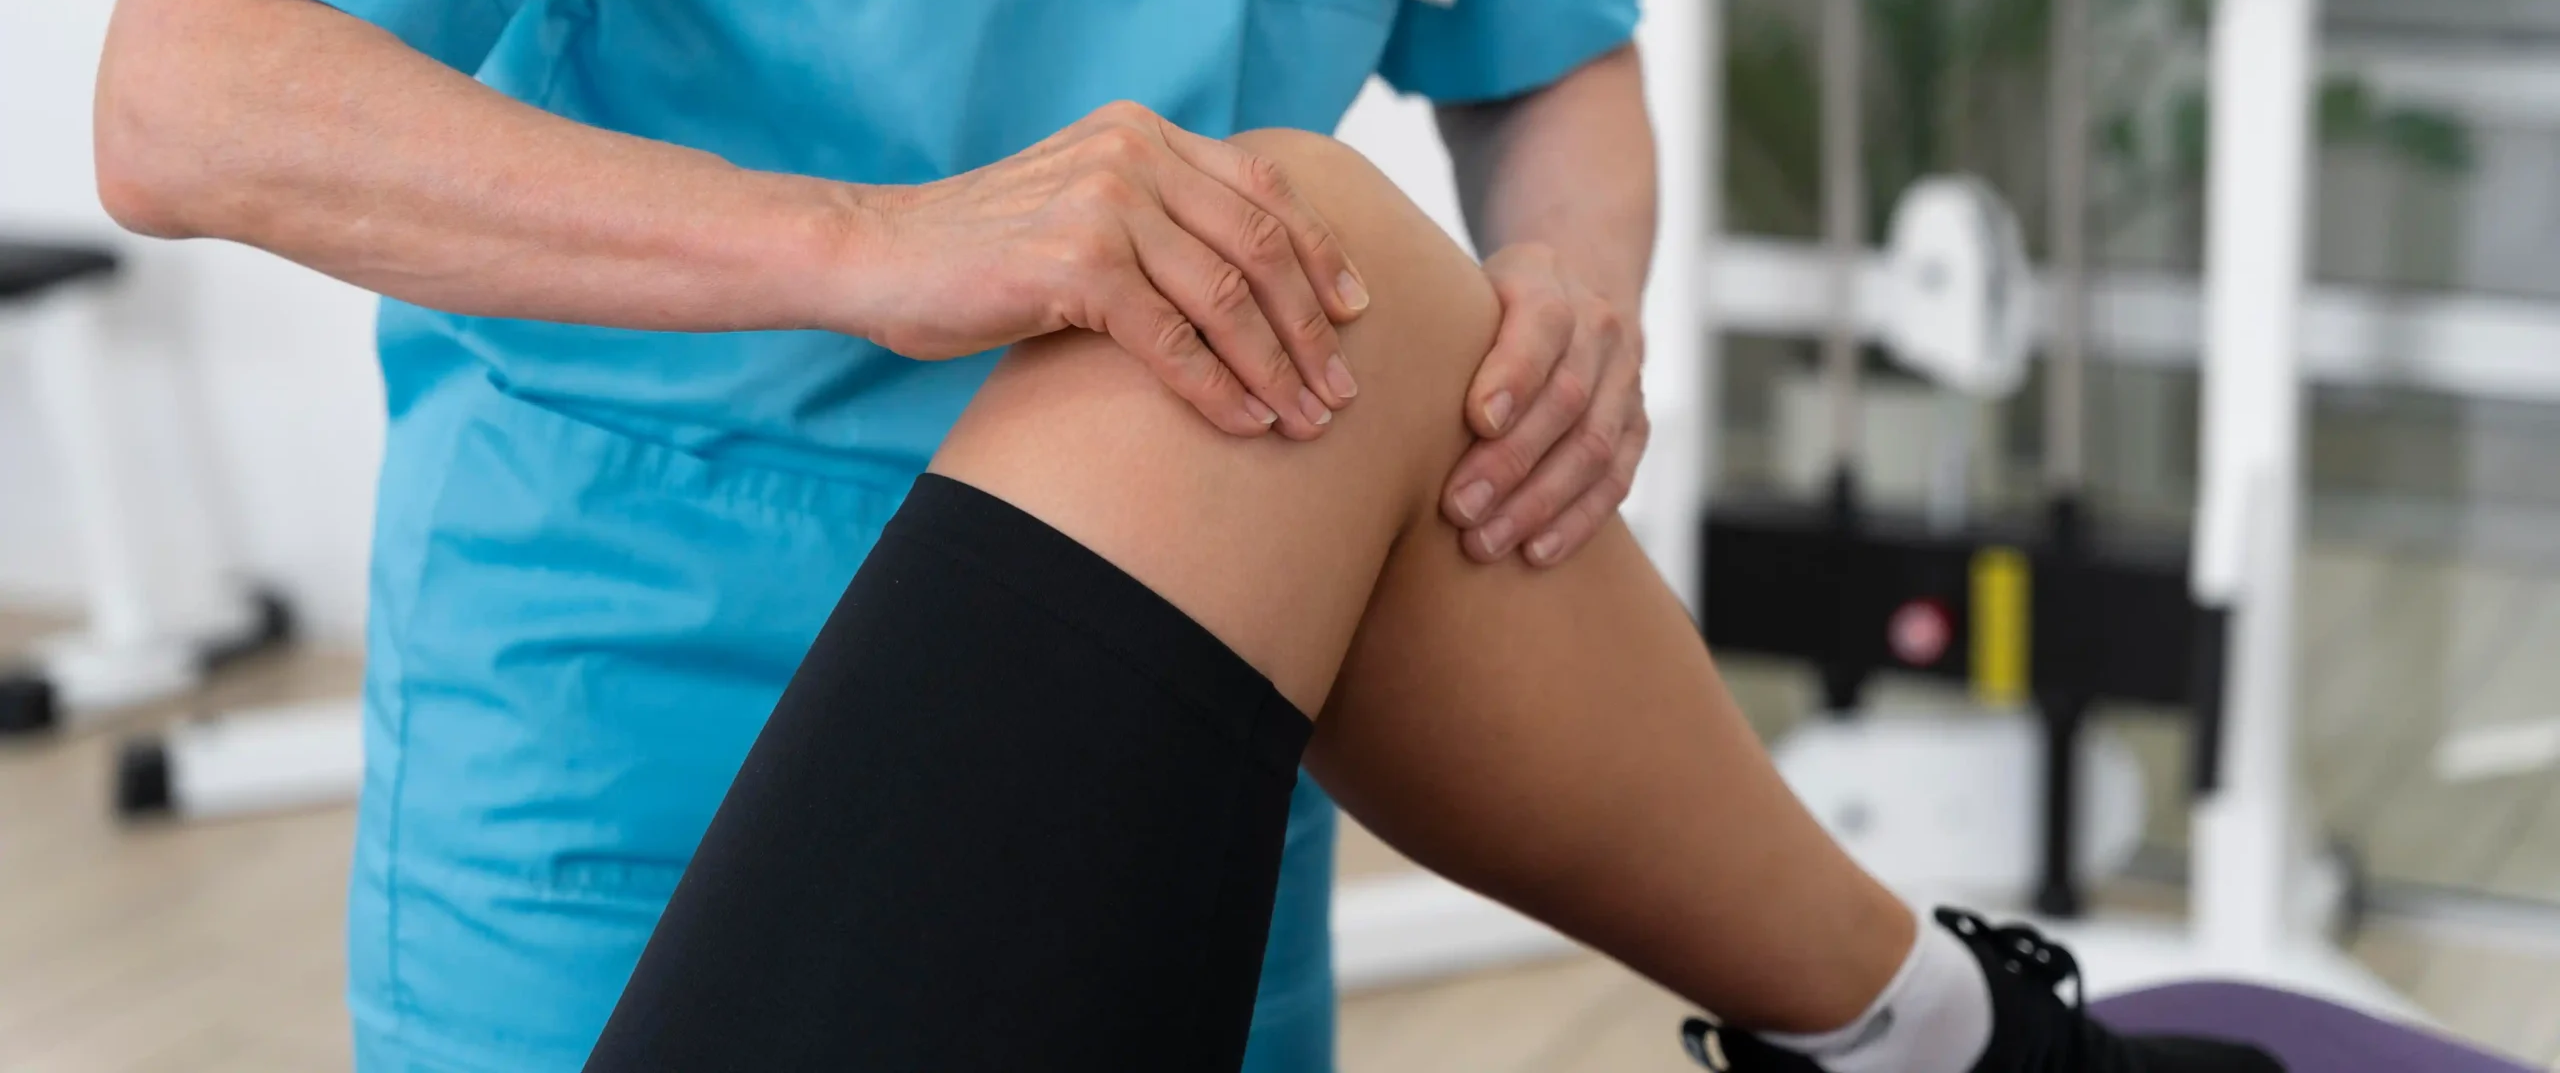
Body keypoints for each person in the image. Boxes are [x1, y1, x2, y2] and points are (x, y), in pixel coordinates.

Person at [93, 0, 1658, 1066]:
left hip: (1184, 705)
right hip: (658, 731)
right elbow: (194, 97)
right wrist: (875, 241)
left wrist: (1571, 277)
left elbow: (1543, 51)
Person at [581, 129, 2283, 1073]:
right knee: (1281, 278)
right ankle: (1951, 1052)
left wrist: (1564, 316)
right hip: (624, 699)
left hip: (1223, 677)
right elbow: (290, 81)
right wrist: (858, 238)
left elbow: (1548, 46)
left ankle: (1933, 1045)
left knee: (1278, 285)